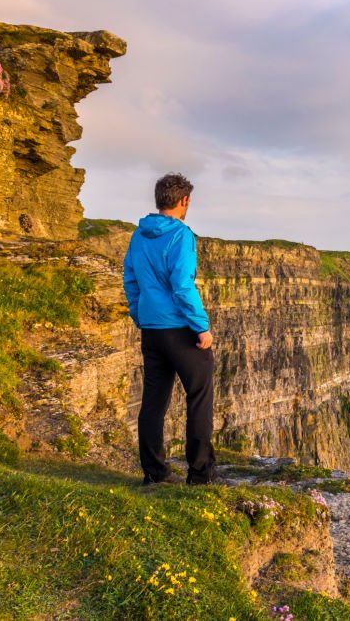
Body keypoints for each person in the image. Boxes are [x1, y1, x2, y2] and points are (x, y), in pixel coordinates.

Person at [123, 173, 216, 485]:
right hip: (180, 329)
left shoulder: (138, 235)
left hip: (151, 329)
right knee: (199, 397)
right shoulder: (182, 235)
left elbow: (131, 281)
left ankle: (155, 472)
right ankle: (200, 475)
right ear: (184, 200)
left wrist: (140, 314)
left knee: (153, 401)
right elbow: (182, 286)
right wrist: (201, 328)